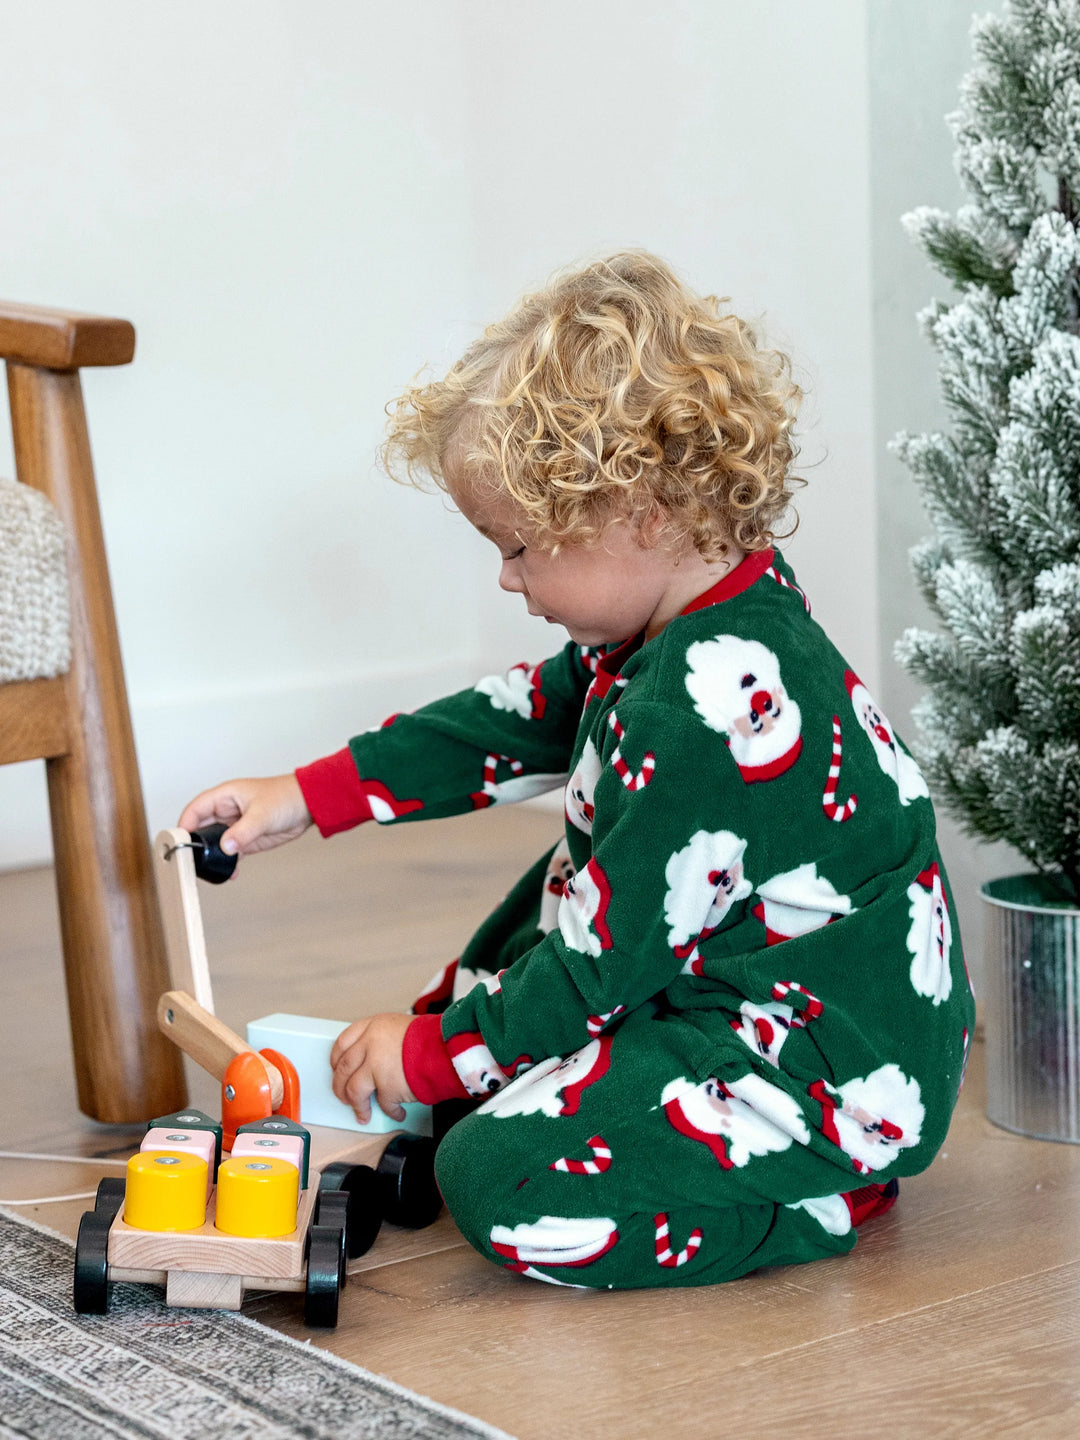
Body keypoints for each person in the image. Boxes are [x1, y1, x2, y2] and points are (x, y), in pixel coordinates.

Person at [179, 252, 975, 1289]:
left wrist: (426, 1062)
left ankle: (818, 1196)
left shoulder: (703, 711)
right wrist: (310, 795)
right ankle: (498, 1065)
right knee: (537, 915)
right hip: (732, 984)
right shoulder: (705, 611)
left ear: (638, 513)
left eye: (519, 548)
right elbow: (515, 721)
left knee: (493, 1179)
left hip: (825, 1075)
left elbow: (601, 965)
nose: (505, 578)